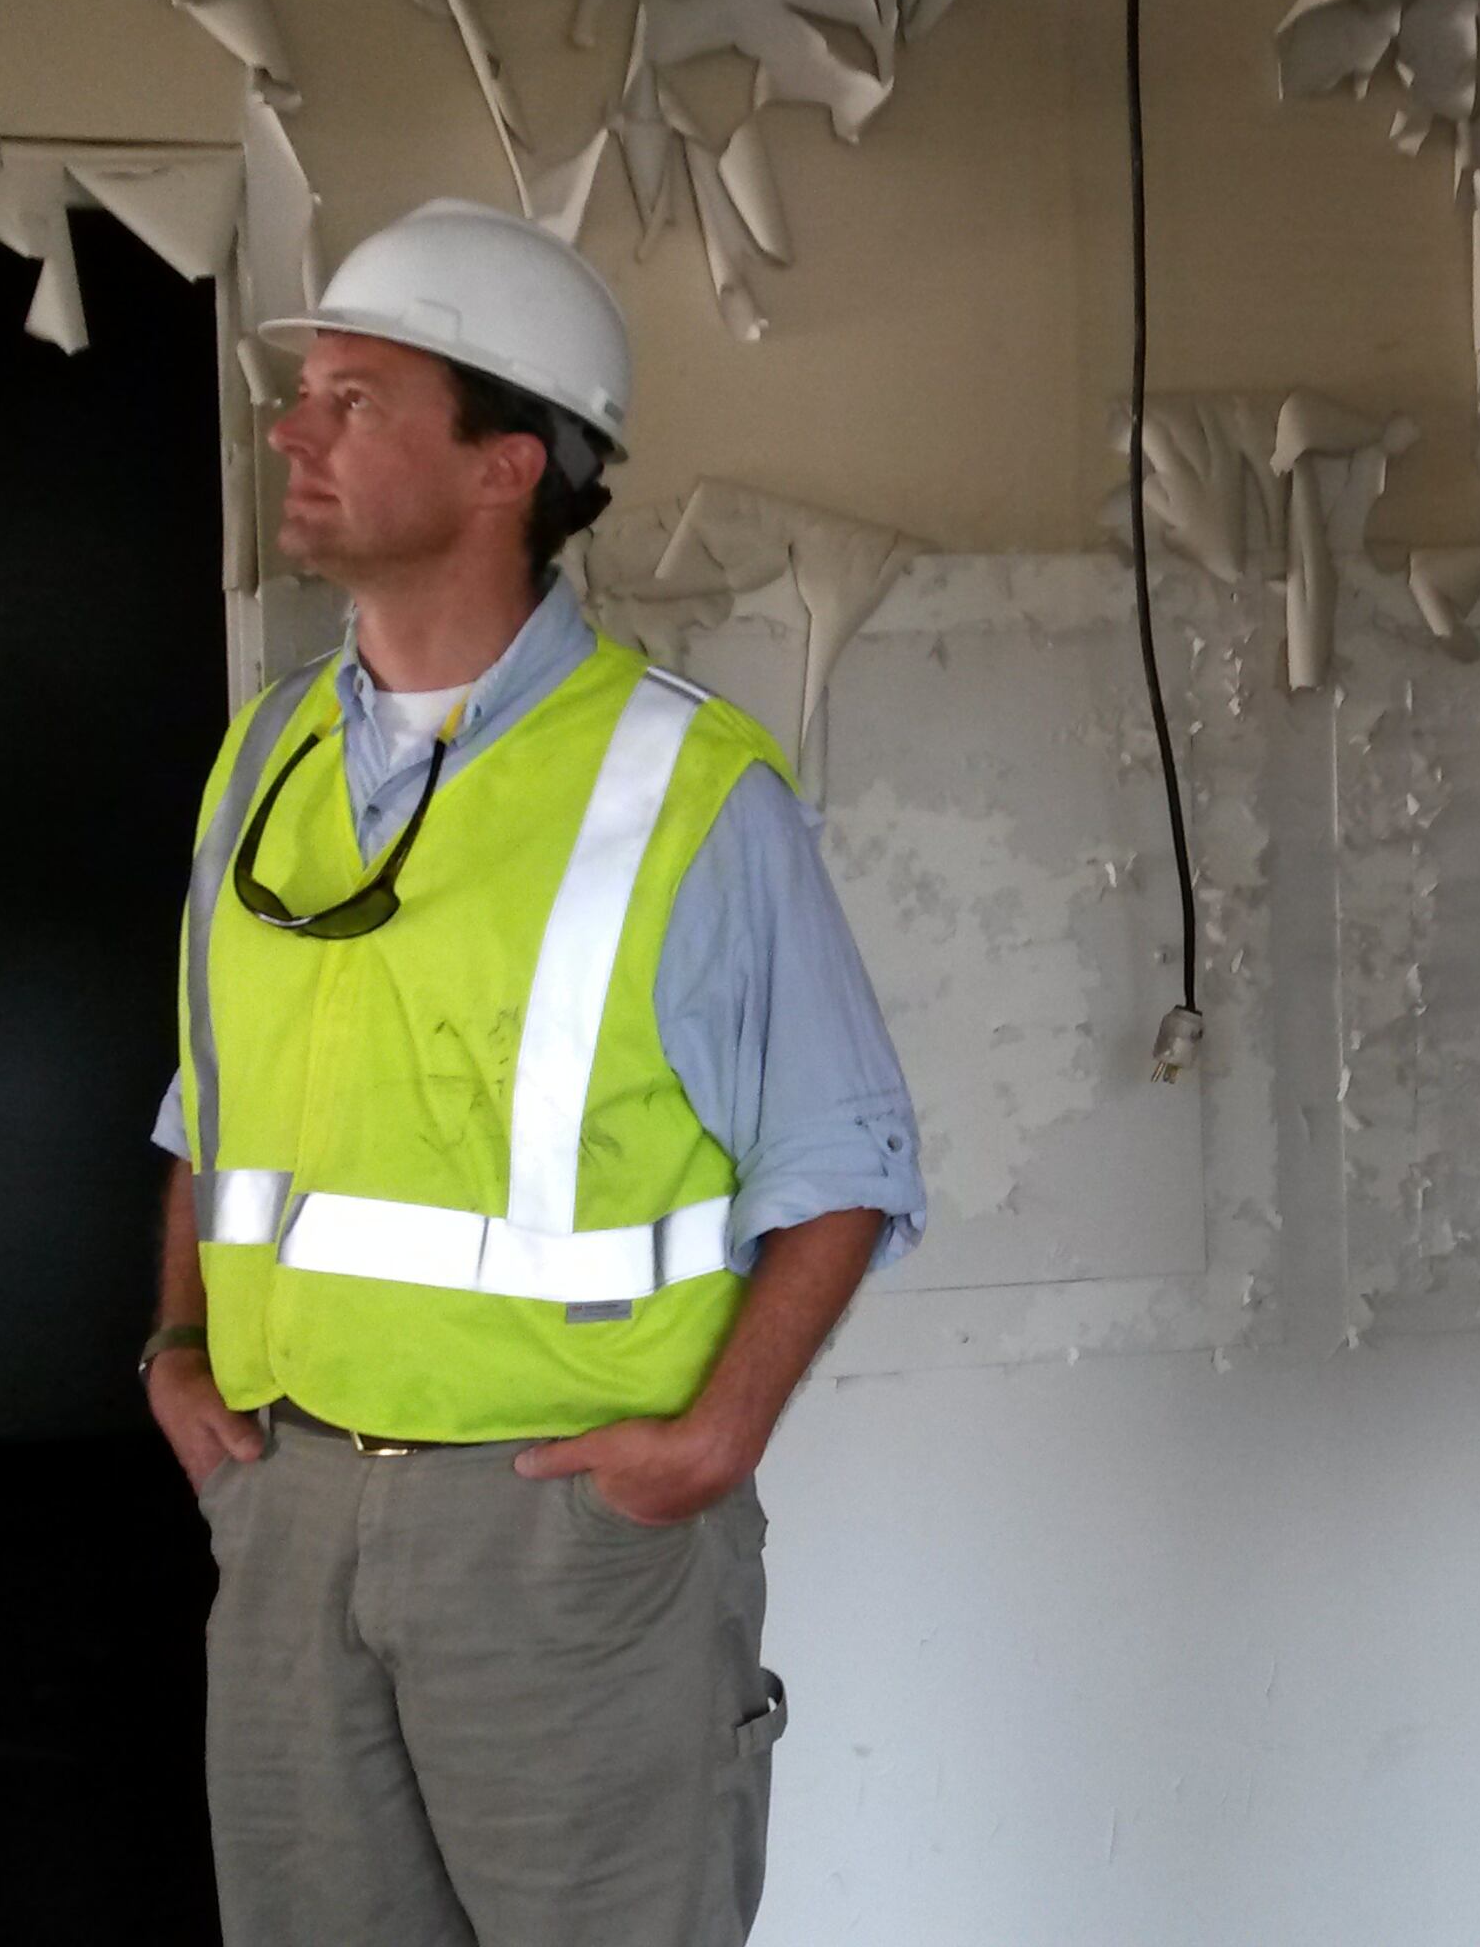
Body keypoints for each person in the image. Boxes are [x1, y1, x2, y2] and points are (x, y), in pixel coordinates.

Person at [133, 198, 925, 1947]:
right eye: (304, 396)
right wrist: (175, 1346)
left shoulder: (685, 786)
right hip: (286, 1503)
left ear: (507, 465)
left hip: (558, 1530)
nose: (293, 432)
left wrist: (712, 1443)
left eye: (353, 400)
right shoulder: (262, 758)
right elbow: (212, 1099)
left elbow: (848, 1158)